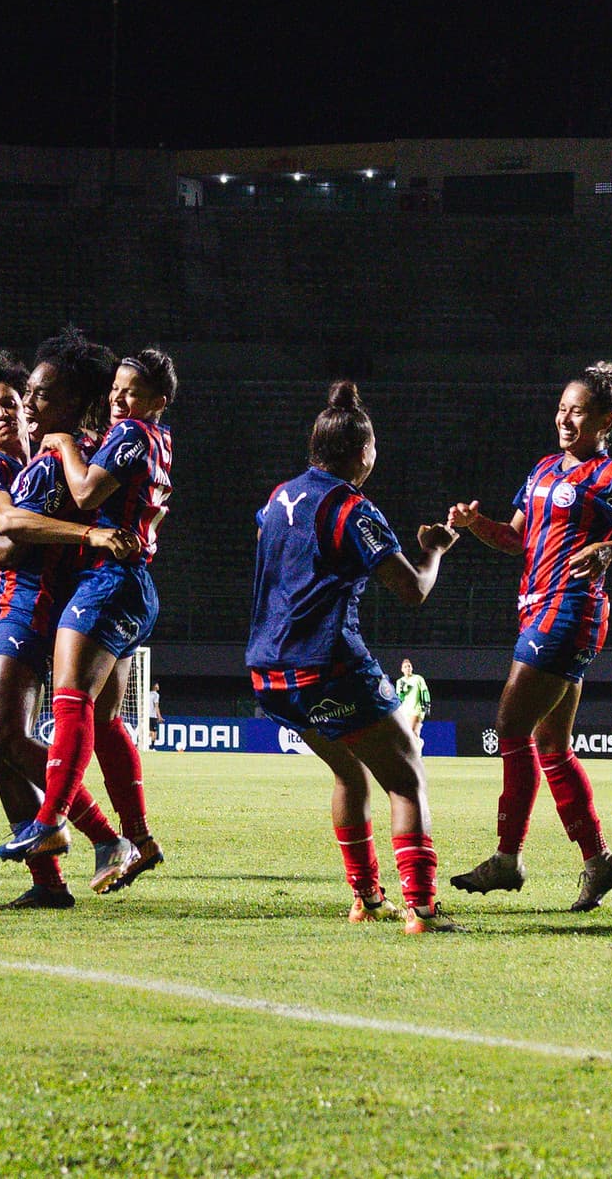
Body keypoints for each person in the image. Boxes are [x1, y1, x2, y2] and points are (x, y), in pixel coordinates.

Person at [446, 361, 612, 912]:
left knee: (509, 725)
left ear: (605, 420)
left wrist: (610, 549)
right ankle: (599, 862)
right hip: (536, 610)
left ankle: (507, 858)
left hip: (570, 611)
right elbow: (517, 539)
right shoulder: (543, 470)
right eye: (561, 408)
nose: (565, 418)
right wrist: (478, 527)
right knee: (550, 744)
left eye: (577, 411)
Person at [247, 382, 462, 932]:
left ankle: (366, 898)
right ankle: (422, 908)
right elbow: (413, 590)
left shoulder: (277, 498)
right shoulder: (350, 507)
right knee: (407, 774)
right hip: (327, 665)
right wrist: (434, 550)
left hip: (270, 672)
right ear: (363, 453)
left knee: (349, 773)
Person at [0, 331, 140, 904]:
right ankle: (53, 878)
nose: (23, 406)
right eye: (11, 402)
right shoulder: (56, 453)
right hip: (52, 604)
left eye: (32, 396)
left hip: (34, 607)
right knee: (4, 742)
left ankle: (108, 838)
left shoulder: (64, 455)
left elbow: (14, 530)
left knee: (5, 736)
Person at [0, 346, 177, 892]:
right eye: (116, 389)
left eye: (133, 392)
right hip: (135, 584)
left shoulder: (128, 435)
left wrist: (67, 444)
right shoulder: (159, 441)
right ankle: (139, 839)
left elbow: (82, 491)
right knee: (102, 720)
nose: (120, 399)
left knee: (69, 701)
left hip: (107, 581)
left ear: (158, 402)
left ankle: (49, 821)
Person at [393, 660, 430, 727]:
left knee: (410, 732)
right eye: (405, 667)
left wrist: (427, 706)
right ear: (402, 669)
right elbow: (400, 698)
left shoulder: (418, 678)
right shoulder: (400, 681)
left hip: (416, 710)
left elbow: (425, 692)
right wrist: (403, 691)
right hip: (404, 711)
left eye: (409, 666)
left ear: (412, 668)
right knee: (414, 734)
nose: (407, 668)